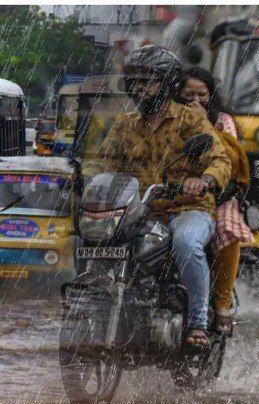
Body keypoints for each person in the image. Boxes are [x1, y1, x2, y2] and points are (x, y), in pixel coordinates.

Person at [86, 46, 232, 347]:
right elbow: (105, 163)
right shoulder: (125, 124)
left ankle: (197, 322)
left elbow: (220, 160)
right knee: (95, 239)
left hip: (189, 208)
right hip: (139, 210)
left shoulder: (191, 119)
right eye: (135, 81)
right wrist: (88, 180)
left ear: (166, 83)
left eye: (148, 81)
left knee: (186, 243)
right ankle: (97, 309)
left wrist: (202, 180)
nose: (139, 88)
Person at [179, 67, 253, 337]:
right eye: (189, 94)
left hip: (218, 192)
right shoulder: (169, 118)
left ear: (211, 96)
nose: (196, 100)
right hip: (174, 191)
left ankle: (221, 304)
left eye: (202, 94)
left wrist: (202, 124)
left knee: (228, 228)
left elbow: (228, 162)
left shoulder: (222, 121)